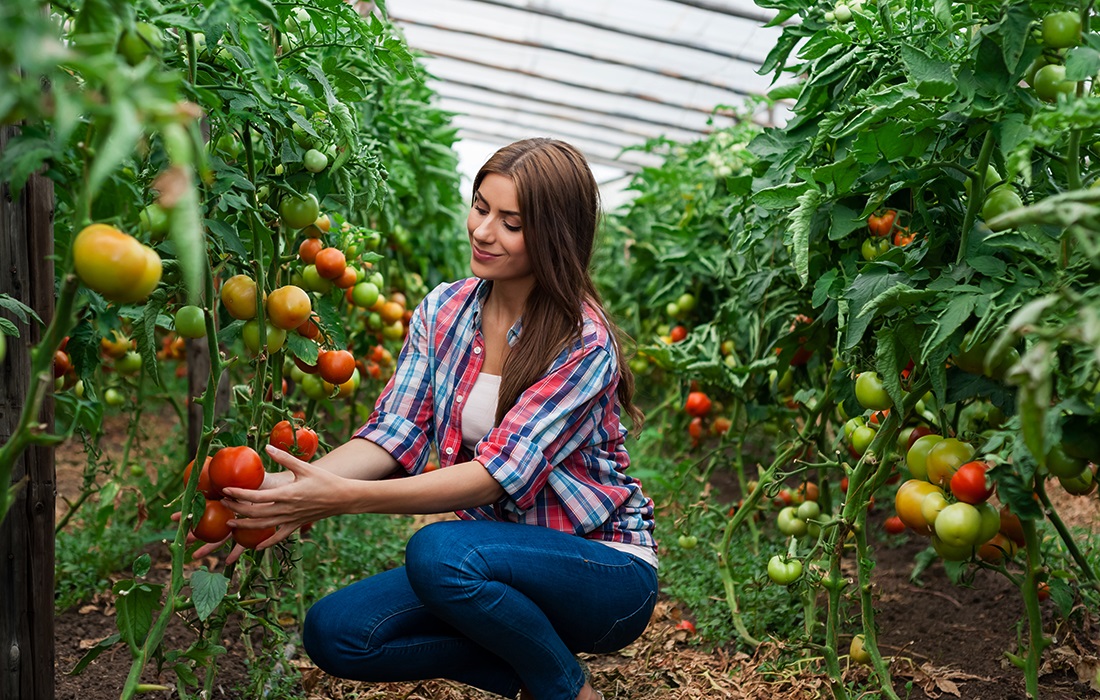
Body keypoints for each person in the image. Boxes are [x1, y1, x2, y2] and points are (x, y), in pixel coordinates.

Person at [214, 138, 658, 700]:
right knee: (338, 633)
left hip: (603, 572)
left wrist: (344, 498)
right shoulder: (444, 310)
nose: (483, 231)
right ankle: (528, 669)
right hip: (493, 565)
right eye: (480, 207)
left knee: (440, 551)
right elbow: (395, 431)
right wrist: (294, 487)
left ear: (556, 234)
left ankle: (565, 689)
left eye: (511, 223)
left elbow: (499, 473)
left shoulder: (583, 342)